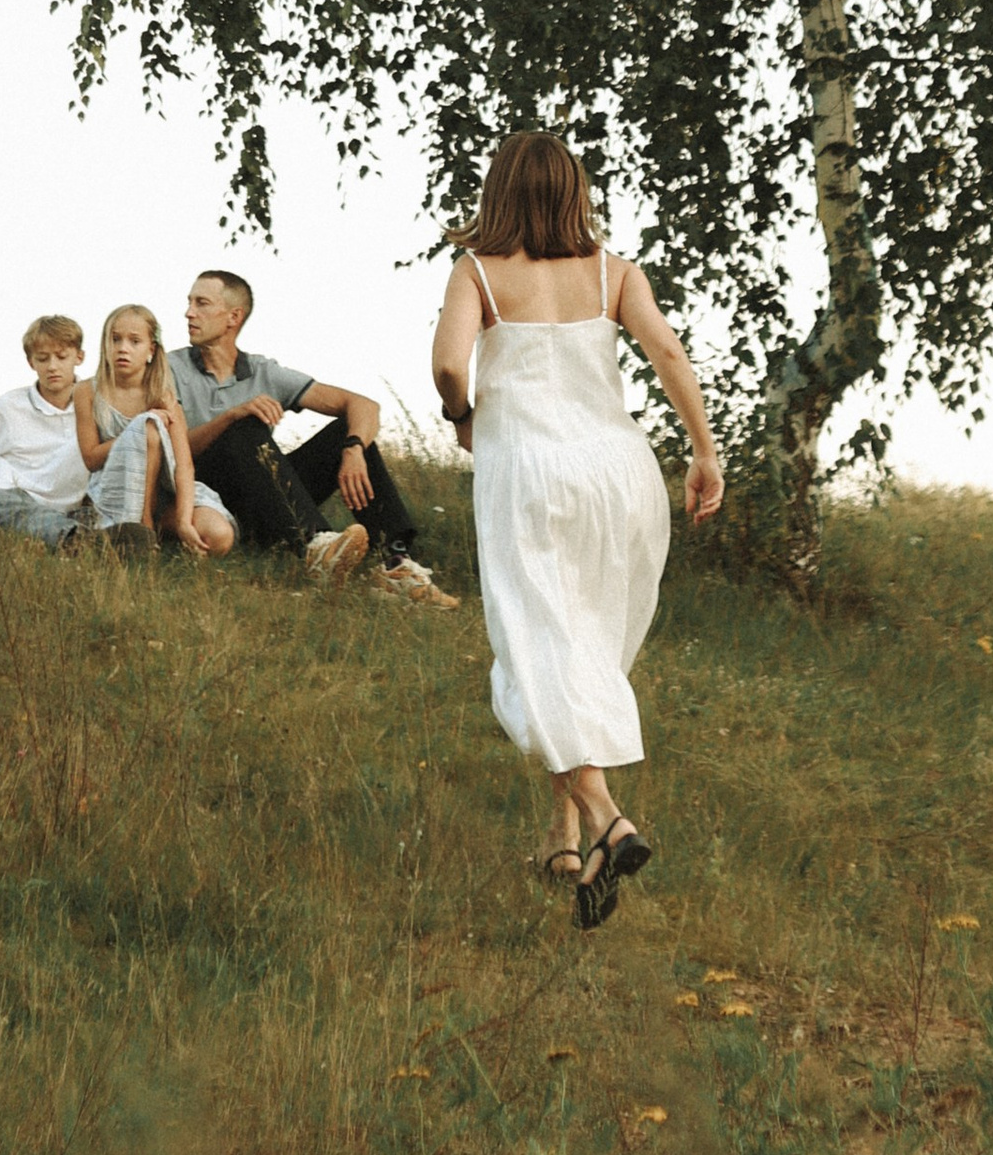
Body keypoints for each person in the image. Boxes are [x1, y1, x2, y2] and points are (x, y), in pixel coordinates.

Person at [430, 130, 722, 926]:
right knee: (579, 649)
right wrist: (703, 451)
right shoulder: (614, 272)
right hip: (620, 476)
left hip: (533, 477)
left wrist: (461, 415)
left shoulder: (477, 272)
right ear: (574, 193)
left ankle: (606, 817)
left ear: (498, 192)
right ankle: (567, 841)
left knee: (536, 652)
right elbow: (667, 350)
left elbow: (450, 364)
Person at [170, 271, 452, 602]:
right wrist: (232, 415)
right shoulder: (169, 368)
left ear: (234, 317)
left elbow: (363, 405)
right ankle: (316, 545)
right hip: (206, 502)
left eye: (201, 303)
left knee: (347, 433)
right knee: (244, 427)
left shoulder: (263, 372)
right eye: (189, 303)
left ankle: (397, 564)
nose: (189, 313)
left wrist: (353, 449)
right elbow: (172, 450)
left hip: (265, 503)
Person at [73, 302, 235, 558]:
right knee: (148, 429)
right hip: (117, 489)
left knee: (219, 537)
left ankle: (162, 527)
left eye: (134, 341)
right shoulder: (87, 391)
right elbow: (91, 459)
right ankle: (142, 528)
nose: (122, 348)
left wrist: (183, 521)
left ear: (151, 349)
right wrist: (135, 431)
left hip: (165, 493)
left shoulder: (162, 396)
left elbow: (184, 466)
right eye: (115, 339)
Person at [0, 316, 98, 549]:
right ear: (31, 362)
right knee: (0, 508)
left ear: (79, 357)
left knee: (90, 513)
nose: (52, 366)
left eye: (61, 357)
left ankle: (78, 536)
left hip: (60, 510)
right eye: (43, 359)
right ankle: (80, 539)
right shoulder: (7, 407)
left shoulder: (97, 405)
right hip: (2, 496)